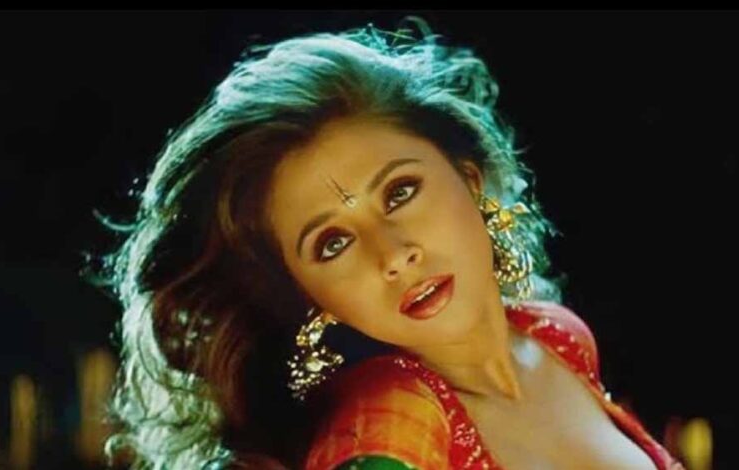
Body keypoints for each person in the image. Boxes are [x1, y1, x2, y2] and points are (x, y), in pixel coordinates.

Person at [96, 19, 684, 469]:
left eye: (400, 192)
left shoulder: (556, 337)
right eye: (331, 243)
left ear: (469, 179)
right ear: (308, 295)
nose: (394, 255)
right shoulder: (387, 423)